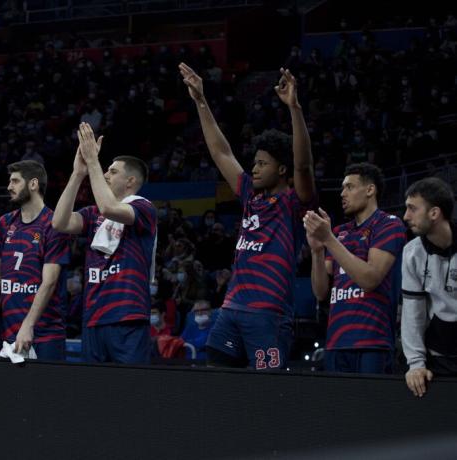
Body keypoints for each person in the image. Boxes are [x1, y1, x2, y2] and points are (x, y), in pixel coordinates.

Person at [180, 63, 316, 369]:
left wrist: (294, 108)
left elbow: (304, 166)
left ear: (281, 169)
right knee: (215, 385)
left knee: (265, 396)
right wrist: (200, 100)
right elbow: (221, 153)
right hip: (230, 310)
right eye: (253, 163)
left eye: (262, 164)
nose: (253, 168)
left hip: (268, 314)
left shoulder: (294, 202)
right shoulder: (248, 194)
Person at [53, 123, 157, 364]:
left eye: (112, 171)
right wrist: (78, 173)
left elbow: (109, 207)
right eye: (106, 170)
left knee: (130, 389)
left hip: (127, 316)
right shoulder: (92, 215)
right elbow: (59, 222)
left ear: (130, 180)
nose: (105, 175)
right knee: (95, 393)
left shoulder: (144, 208)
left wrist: (93, 162)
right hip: (93, 316)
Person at [305, 163, 406, 374]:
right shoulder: (340, 232)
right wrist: (317, 251)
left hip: (372, 342)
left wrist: (329, 240)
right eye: (342, 188)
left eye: (349, 187)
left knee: (369, 407)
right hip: (336, 341)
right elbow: (320, 292)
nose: (342, 193)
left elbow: (370, 279)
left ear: (370, 190)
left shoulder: (389, 224)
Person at [0, 160, 70, 360]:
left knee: (45, 391)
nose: (9, 187)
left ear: (33, 184)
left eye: (15, 181)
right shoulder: (5, 223)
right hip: (7, 331)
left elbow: (49, 282)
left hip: (45, 334)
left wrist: (28, 325)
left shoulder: (53, 224)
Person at [401, 177, 457, 397]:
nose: (405, 216)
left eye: (412, 209)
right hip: (437, 355)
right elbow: (412, 313)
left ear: (434, 213)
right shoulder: (412, 252)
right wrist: (415, 364)